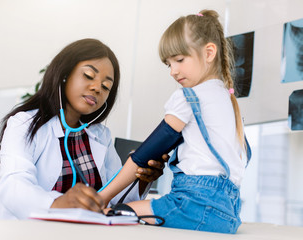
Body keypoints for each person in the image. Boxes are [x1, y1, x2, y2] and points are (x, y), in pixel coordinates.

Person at [99, 10, 251, 234]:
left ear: (209, 53)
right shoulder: (227, 100)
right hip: (229, 213)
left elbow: (145, 154)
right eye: (168, 64)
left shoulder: (189, 97)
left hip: (194, 205)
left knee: (113, 213)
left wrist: (101, 197)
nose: (173, 71)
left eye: (179, 60)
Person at [0, 38, 167, 219]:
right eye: (88, 75)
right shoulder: (24, 123)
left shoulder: (100, 136)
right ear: (64, 74)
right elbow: (13, 185)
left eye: (106, 86)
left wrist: (142, 180)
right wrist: (55, 204)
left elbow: (114, 200)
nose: (97, 88)